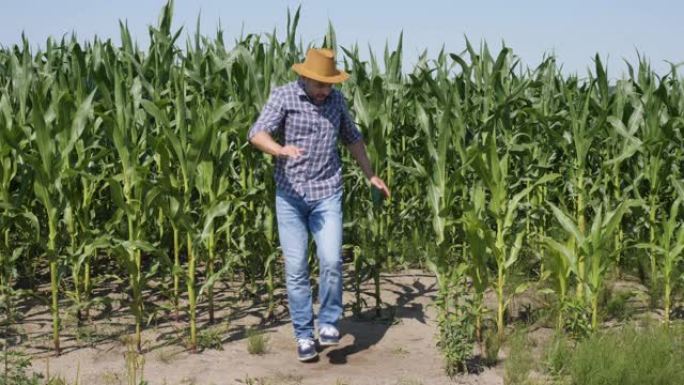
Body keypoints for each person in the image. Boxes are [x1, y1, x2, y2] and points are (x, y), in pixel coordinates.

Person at [248, 48, 390, 362]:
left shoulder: (336, 101)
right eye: (320, 85)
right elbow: (256, 134)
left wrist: (371, 176)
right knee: (297, 269)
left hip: (327, 193)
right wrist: (280, 150)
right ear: (304, 77)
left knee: (331, 260)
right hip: (290, 197)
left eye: (329, 85)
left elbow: (353, 138)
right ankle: (303, 335)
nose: (326, 91)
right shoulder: (284, 97)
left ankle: (327, 323)